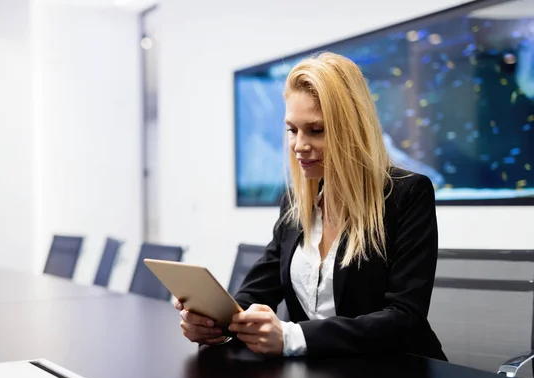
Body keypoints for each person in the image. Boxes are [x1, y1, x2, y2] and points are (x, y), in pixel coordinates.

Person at [175, 52, 447, 360]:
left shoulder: (407, 194)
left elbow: (404, 318)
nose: (299, 145)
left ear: (353, 129)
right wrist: (216, 324)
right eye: (292, 129)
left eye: (316, 130)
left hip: (395, 375)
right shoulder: (296, 203)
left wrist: (292, 336)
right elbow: (255, 291)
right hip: (321, 377)